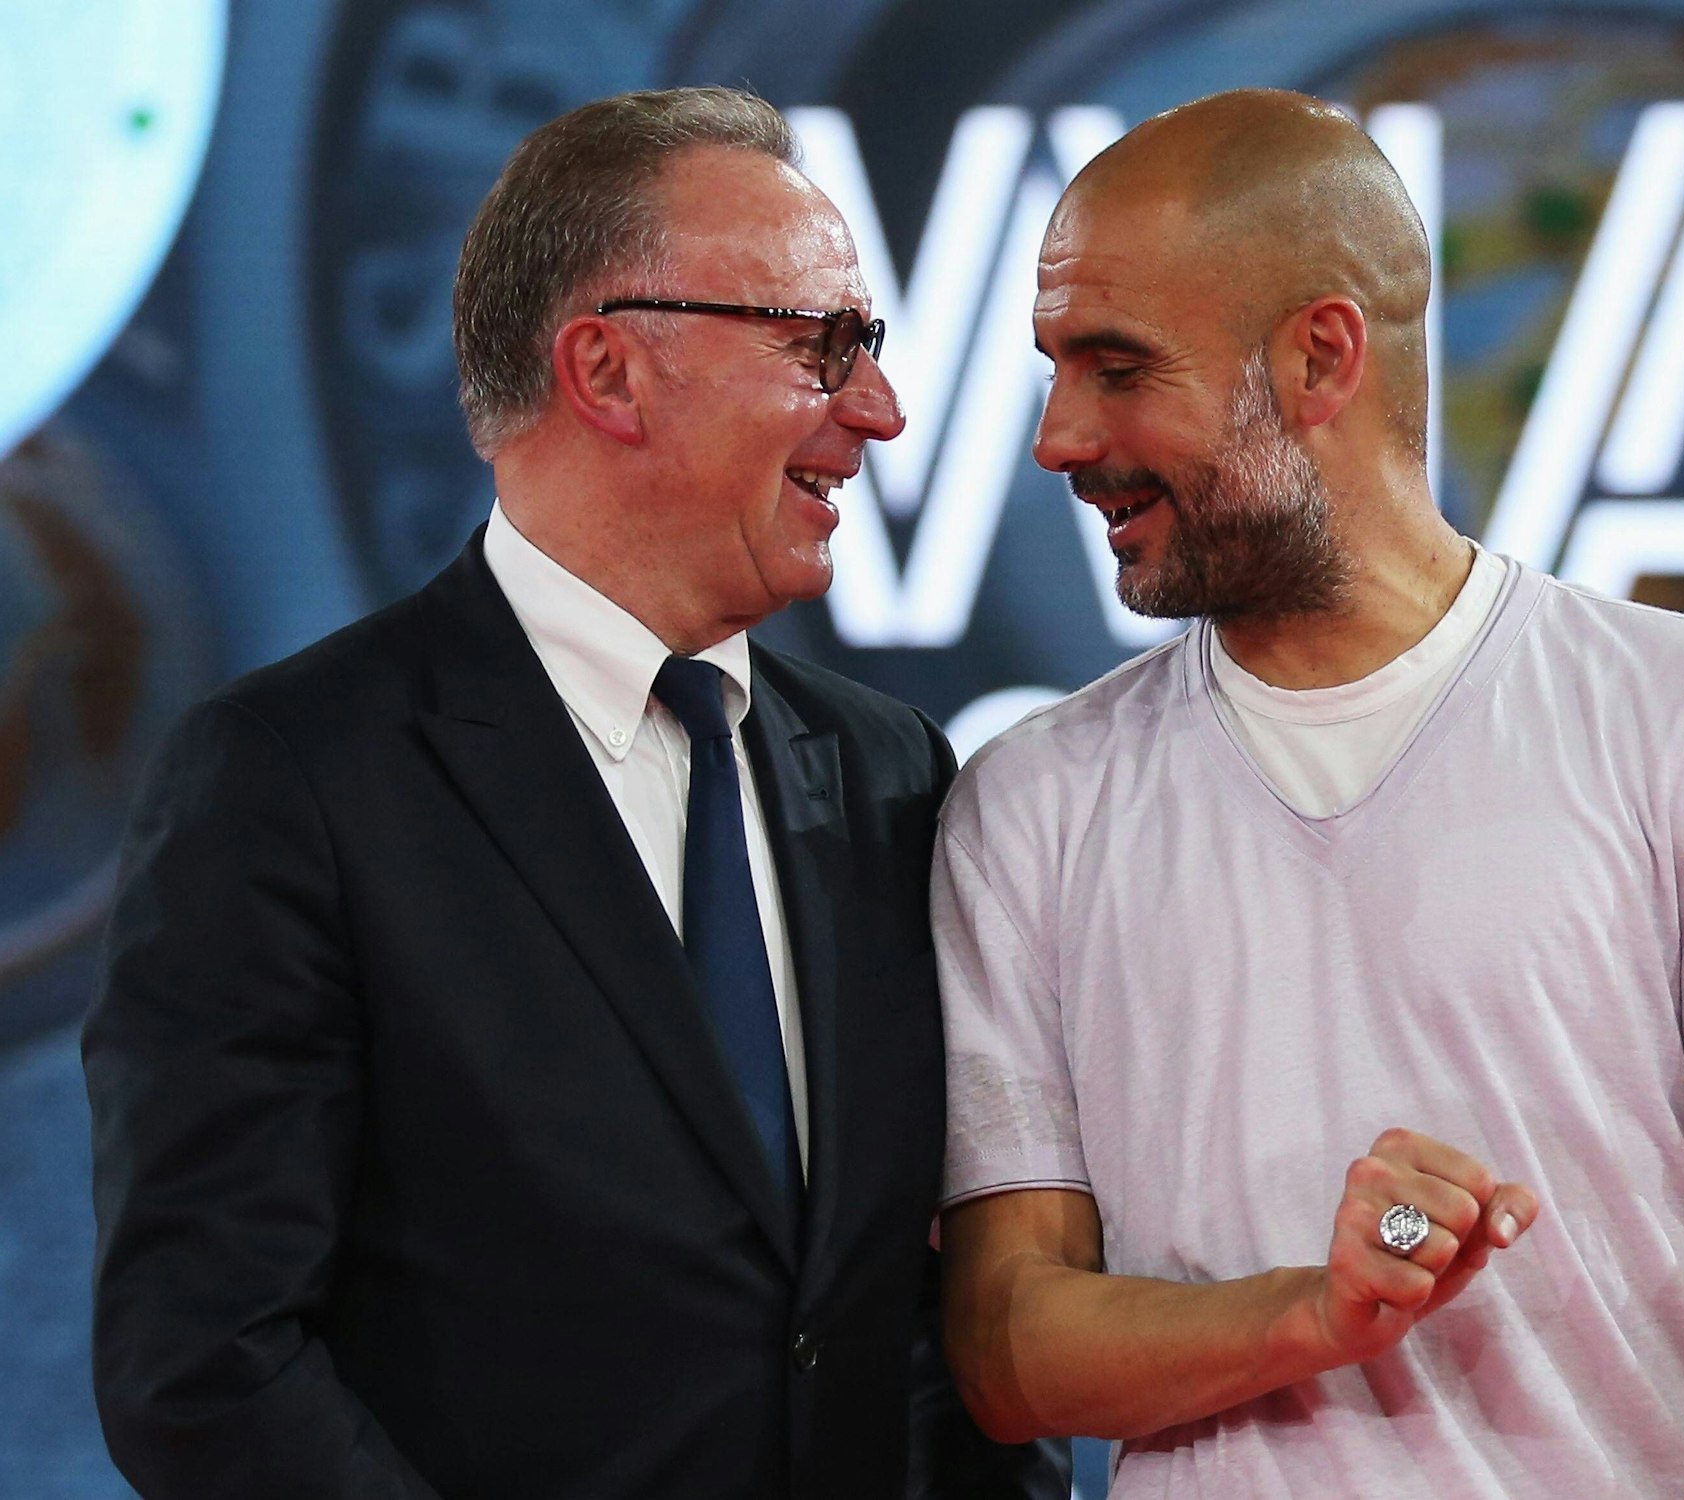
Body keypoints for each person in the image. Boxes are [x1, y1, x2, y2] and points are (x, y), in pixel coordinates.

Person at [934, 87, 1684, 1498]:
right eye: (1054, 369)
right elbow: (1004, 1348)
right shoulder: (1026, 804)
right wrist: (1311, 1316)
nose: (1058, 437)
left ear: (1321, 356)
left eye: (1116, 367)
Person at [85, 87, 1064, 1500]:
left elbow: (921, 1331)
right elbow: (209, 1364)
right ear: (608, 372)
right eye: (823, 345)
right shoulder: (293, 782)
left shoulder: (886, 770)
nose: (881, 410)